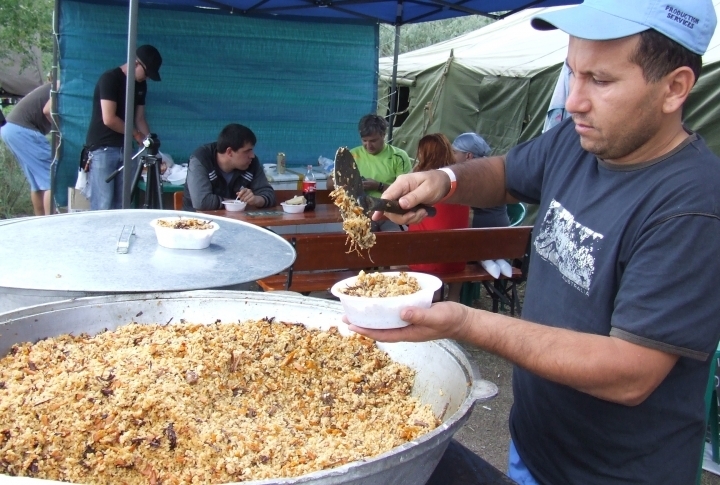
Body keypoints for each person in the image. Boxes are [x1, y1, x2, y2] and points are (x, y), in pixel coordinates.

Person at [350, 1, 720, 484]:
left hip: (614, 473)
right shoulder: (580, 139)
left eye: (601, 81)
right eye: (573, 74)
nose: (574, 101)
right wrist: (444, 179)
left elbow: (631, 371)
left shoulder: (691, 206)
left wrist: (465, 320)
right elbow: (507, 172)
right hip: (535, 443)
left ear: (675, 88)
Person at [84, 44, 162, 210]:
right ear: (136, 63)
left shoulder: (140, 85)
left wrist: (150, 144)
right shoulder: (110, 79)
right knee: (103, 202)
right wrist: (135, 134)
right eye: (146, 73)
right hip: (103, 147)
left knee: (123, 202)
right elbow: (109, 118)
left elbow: (139, 118)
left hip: (126, 149)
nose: (146, 78)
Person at [407, 133, 469, 301]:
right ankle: (454, 298)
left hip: (427, 260)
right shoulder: (460, 177)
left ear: (424, 153)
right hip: (456, 260)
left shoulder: (421, 178)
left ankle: (432, 300)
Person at [328, 114, 412, 231]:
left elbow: (406, 193)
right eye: (364, 141)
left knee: (394, 245)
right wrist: (351, 184)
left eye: (373, 141)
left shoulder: (398, 156)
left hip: (389, 214)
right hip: (360, 214)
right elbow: (329, 183)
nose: (368, 145)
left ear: (383, 135)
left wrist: (379, 186)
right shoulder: (352, 155)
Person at [182, 123, 275, 211]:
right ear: (229, 152)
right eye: (247, 151)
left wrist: (255, 200)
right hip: (199, 223)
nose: (252, 155)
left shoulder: (252, 163)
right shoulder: (201, 159)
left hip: (241, 223)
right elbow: (201, 202)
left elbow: (269, 195)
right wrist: (236, 203)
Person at [0, 82, 53, 215]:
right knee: (52, 178)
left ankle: (39, 223)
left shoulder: (52, 85)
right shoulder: (62, 87)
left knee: (36, 182)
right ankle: (51, 225)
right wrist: (62, 130)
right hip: (23, 130)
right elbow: (48, 110)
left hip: (10, 128)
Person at [451, 133, 509, 228]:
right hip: (497, 225)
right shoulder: (487, 166)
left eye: (454, 152)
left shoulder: (476, 175)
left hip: (490, 231)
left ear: (468, 156)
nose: (452, 157)